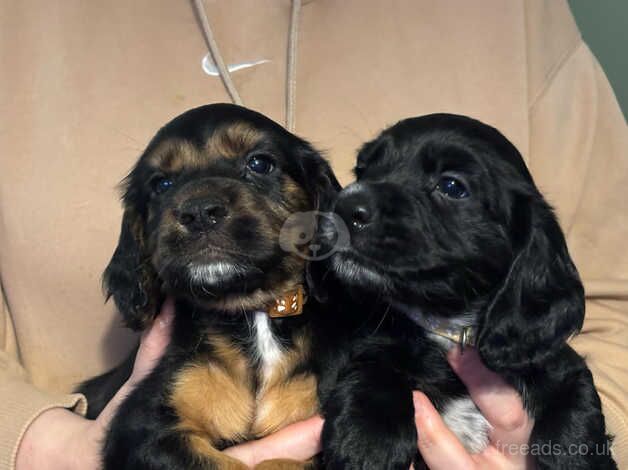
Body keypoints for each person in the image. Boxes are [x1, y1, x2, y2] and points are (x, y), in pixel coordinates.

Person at [1, 1, 626, 468]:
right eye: (164, 189)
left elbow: (611, 311)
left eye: (259, 166)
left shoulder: (514, 16)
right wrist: (33, 438)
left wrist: (551, 453)